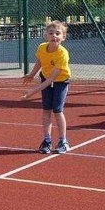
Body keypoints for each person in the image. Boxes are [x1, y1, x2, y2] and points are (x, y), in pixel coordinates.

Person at [21, 20, 72, 153]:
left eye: (57, 33)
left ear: (63, 37)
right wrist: (32, 74)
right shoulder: (42, 47)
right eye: (51, 33)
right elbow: (40, 61)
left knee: (57, 110)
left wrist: (32, 92)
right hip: (46, 77)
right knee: (46, 110)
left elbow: (50, 80)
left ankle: (63, 141)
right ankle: (47, 140)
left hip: (60, 81)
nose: (54, 35)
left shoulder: (63, 54)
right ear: (46, 36)